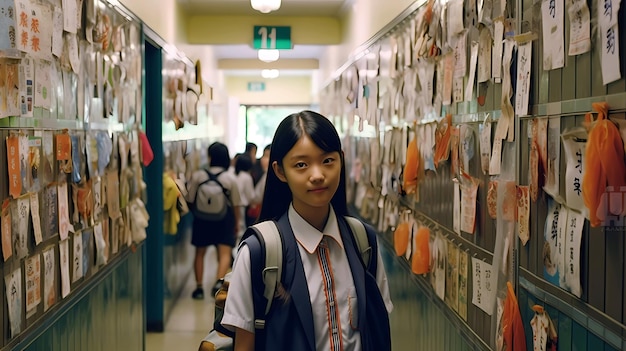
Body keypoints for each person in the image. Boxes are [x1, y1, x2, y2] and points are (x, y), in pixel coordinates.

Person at [222, 110, 393, 350]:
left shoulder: (363, 241)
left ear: (341, 161)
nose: (317, 175)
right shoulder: (259, 252)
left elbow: (379, 328)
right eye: (301, 165)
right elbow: (244, 345)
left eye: (327, 161)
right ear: (280, 171)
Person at [186, 142, 241, 299]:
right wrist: (237, 222)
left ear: (209, 157)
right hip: (224, 219)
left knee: (200, 253)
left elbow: (190, 198)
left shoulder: (198, 176)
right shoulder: (230, 178)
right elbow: (236, 204)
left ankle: (198, 288)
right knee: (224, 253)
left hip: (201, 219)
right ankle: (218, 283)